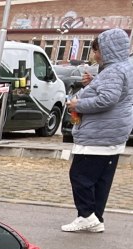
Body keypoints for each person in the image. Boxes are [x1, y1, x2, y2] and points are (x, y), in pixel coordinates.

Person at [62, 30, 133, 233]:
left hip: (99, 133)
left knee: (79, 175)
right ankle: (96, 218)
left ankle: (86, 215)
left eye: (96, 50)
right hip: (113, 132)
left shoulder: (113, 71)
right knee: (101, 179)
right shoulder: (124, 67)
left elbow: (107, 100)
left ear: (105, 49)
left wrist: (78, 103)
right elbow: (115, 93)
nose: (94, 55)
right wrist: (94, 83)